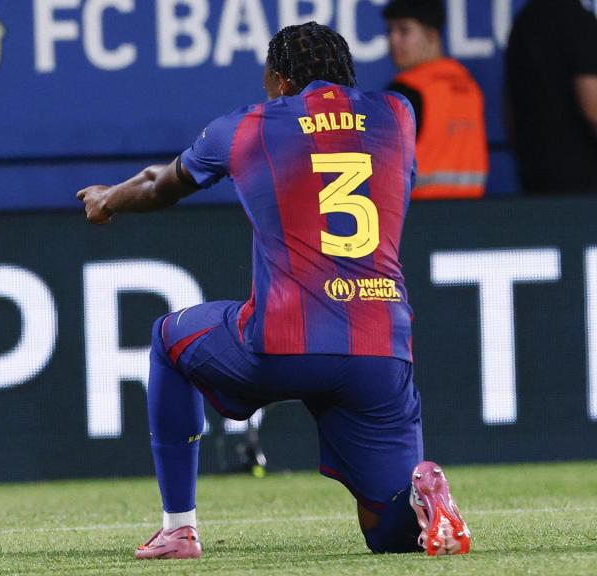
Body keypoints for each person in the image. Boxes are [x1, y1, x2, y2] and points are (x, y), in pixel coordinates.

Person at [77, 22, 471, 559]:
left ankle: (178, 528)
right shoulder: (398, 114)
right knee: (389, 532)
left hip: (284, 339)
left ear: (281, 81)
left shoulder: (246, 127)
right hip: (380, 348)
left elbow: (158, 185)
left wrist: (107, 198)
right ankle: (425, 502)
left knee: (169, 341)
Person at [383, 0, 488, 200]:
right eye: (390, 31)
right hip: (473, 215)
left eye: (403, 31)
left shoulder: (404, 93)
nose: (393, 40)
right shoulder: (470, 87)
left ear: (431, 35)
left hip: (420, 217)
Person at [505, 0, 597, 194]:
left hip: (532, 176)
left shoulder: (523, 22)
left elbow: (509, 111)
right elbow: (593, 109)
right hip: (581, 184)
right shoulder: (580, 23)